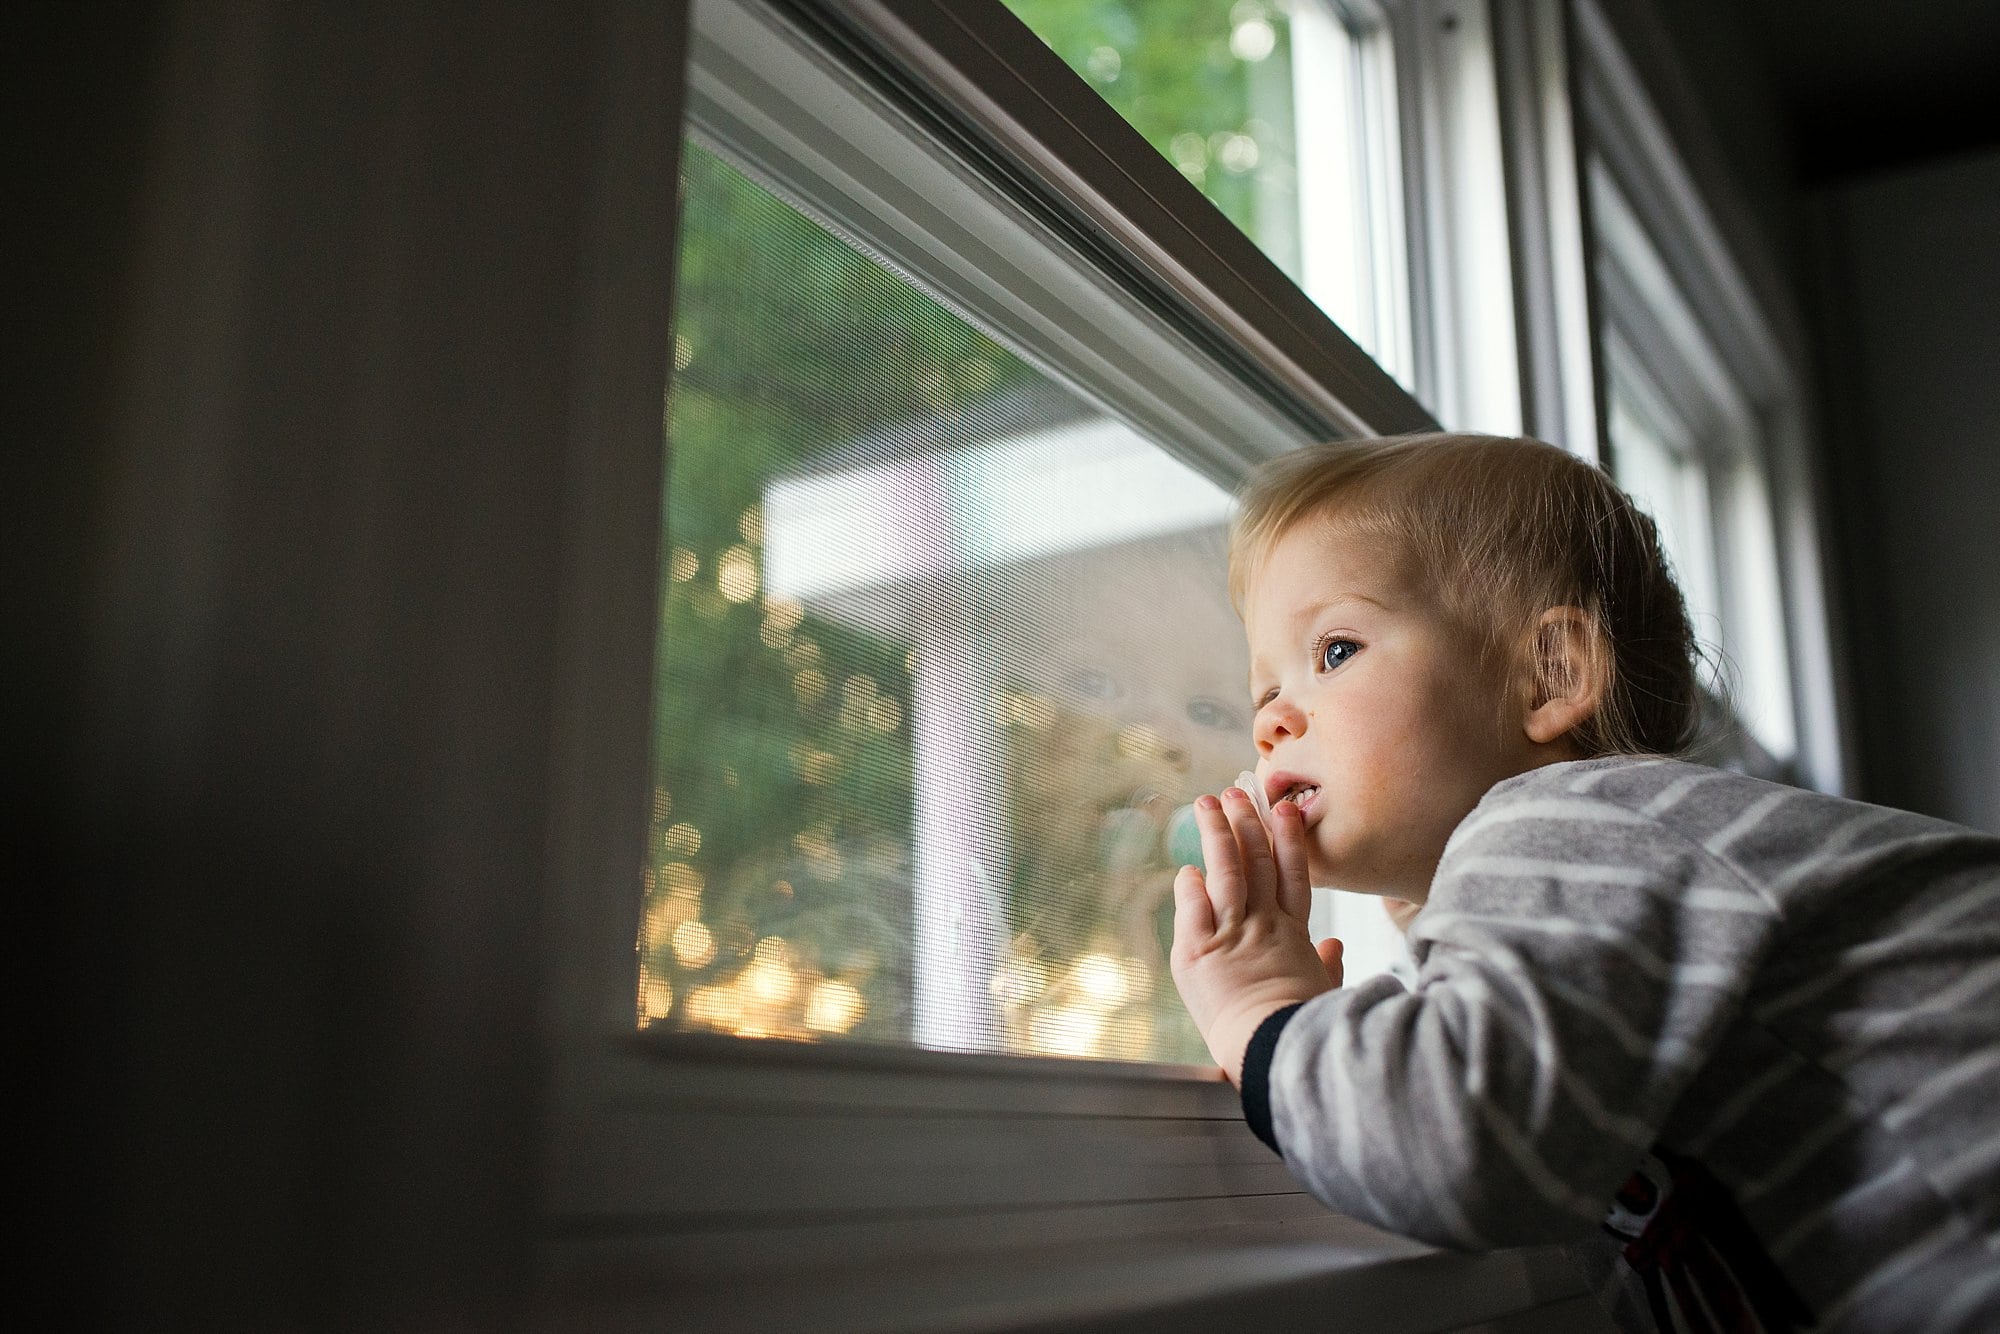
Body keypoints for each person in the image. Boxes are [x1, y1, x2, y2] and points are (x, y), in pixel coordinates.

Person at [1169, 433, 1999, 1333]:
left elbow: (1465, 1144)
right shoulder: (1591, 892)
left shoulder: (1575, 818)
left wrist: (1263, 1011)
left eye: (1333, 651)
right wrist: (1336, 1053)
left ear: (1550, 675)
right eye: (1262, 696)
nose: (1273, 721)